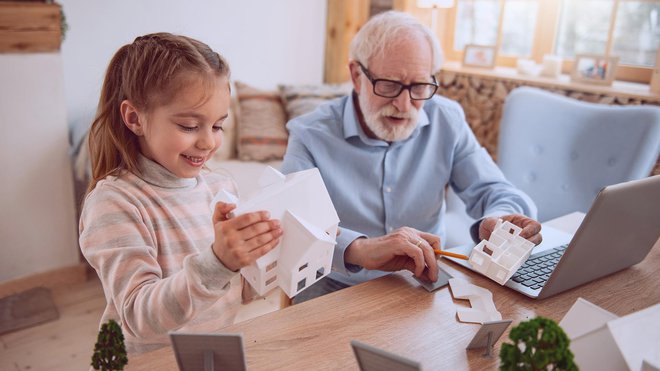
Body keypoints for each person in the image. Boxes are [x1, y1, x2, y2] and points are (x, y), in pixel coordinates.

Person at [281, 11, 542, 303]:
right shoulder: (309, 134)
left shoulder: (447, 118)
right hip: (335, 286)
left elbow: (496, 190)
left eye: (419, 86)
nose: (404, 105)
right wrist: (361, 250)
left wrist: (496, 221)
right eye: (389, 85)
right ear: (357, 76)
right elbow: (292, 225)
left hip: (421, 283)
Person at [79, 33, 282, 354]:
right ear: (134, 118)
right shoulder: (114, 203)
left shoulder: (221, 185)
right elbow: (137, 317)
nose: (208, 143)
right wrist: (219, 262)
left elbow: (231, 290)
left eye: (217, 126)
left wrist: (266, 259)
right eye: (189, 126)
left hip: (209, 355)